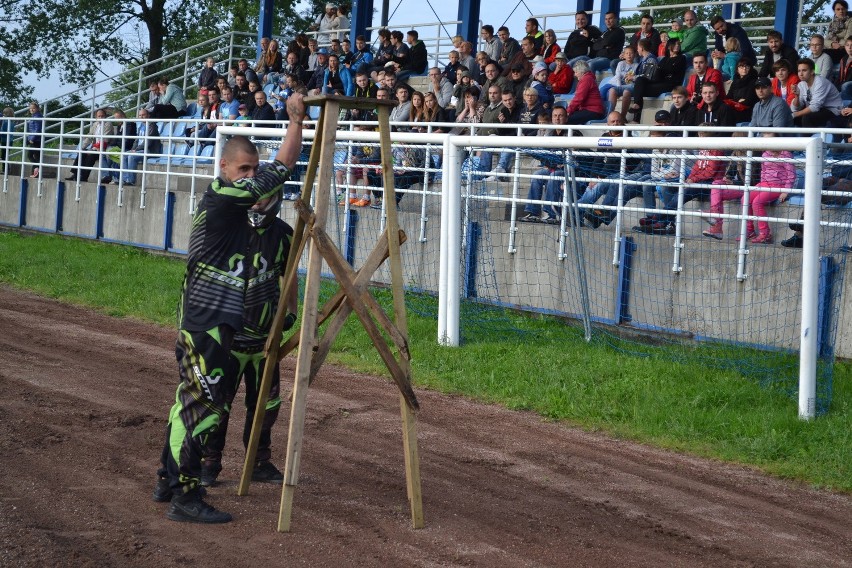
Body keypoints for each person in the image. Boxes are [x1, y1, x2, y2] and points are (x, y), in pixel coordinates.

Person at [152, 93, 306, 524]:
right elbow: (278, 173)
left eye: (253, 169)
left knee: (191, 405)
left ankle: (167, 480)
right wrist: (296, 123)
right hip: (207, 325)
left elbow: (279, 276)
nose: (251, 178)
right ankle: (186, 496)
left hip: (228, 328)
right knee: (202, 409)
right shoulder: (221, 200)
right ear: (223, 169)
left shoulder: (262, 226)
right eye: (244, 169)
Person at [792, 58, 844, 128]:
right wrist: (796, 97)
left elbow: (815, 107)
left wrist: (795, 114)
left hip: (833, 112)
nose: (801, 74)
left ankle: (808, 139)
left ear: (812, 71)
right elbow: (795, 108)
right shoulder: (801, 84)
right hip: (818, 111)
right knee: (790, 118)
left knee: (807, 117)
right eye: (799, 71)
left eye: (804, 70)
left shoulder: (820, 82)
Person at [119, 108, 160, 186]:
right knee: (124, 155)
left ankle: (131, 180)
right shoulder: (141, 126)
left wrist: (136, 150)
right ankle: (125, 179)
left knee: (131, 156)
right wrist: (133, 149)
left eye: (143, 115)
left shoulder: (152, 126)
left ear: (148, 115)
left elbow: (148, 143)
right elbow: (137, 140)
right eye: (140, 115)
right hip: (139, 150)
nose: (141, 117)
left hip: (149, 150)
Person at [102, 109, 137, 185]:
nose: (116, 119)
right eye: (115, 118)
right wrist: (110, 145)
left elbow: (127, 140)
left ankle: (112, 177)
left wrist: (117, 148)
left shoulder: (130, 124)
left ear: (123, 116)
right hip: (120, 147)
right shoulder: (119, 126)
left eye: (117, 117)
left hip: (127, 147)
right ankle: (109, 175)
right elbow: (116, 139)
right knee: (105, 153)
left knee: (112, 155)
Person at [601, 45, 638, 115]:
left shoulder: (636, 65)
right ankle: (605, 112)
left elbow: (635, 77)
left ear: (635, 54)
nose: (629, 55)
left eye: (631, 53)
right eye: (627, 53)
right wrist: (619, 86)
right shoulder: (621, 63)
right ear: (623, 55)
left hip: (627, 85)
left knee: (625, 92)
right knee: (602, 92)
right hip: (614, 83)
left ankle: (622, 115)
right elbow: (618, 76)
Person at [564, 60, 605, 124]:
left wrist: (568, 111)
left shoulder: (586, 79)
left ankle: (574, 134)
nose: (575, 75)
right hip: (588, 110)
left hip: (593, 111)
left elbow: (579, 98)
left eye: (576, 72)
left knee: (565, 119)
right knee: (564, 117)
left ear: (581, 71)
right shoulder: (587, 78)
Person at [724, 58, 759, 123]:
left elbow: (749, 101)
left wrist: (734, 102)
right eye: (741, 66)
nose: (744, 69)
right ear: (737, 69)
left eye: (747, 66)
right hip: (735, 108)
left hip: (748, 111)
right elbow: (728, 97)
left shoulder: (753, 82)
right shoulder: (735, 82)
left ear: (750, 68)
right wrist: (737, 101)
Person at [25, 101, 43, 178]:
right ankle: (35, 172)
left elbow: (37, 129)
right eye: (30, 108)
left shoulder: (38, 117)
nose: (32, 110)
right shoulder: (34, 116)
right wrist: (28, 138)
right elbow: (32, 129)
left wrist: (32, 138)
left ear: (37, 109)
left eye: (33, 108)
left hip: (36, 139)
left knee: (31, 155)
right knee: (35, 156)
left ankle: (36, 171)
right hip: (34, 138)